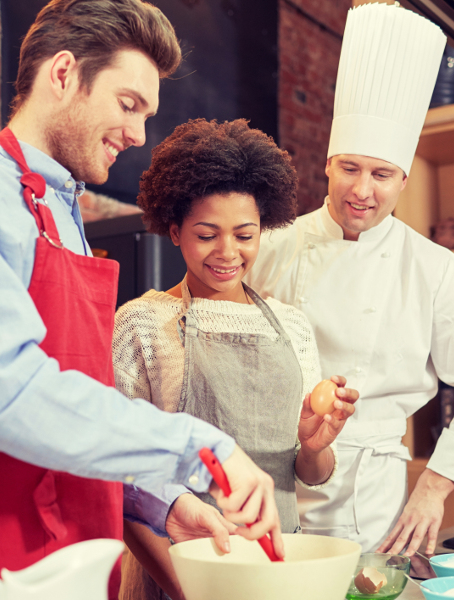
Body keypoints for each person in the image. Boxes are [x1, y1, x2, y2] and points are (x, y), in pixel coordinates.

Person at [0, 3, 281, 599]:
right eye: (129, 105)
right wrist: (200, 446)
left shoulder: (62, 214)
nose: (138, 135)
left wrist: (159, 501)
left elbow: (78, 413)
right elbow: (4, 393)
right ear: (62, 74)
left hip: (77, 553)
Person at [245, 3, 454, 556]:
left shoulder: (435, 268)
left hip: (372, 494)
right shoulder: (270, 245)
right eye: (350, 168)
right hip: (264, 480)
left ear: (403, 179)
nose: (362, 190)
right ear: (327, 163)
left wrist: (435, 488)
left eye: (381, 174)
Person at [113, 118, 358, 600]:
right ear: (175, 230)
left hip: (277, 570)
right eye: (207, 234)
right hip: (172, 574)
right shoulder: (141, 322)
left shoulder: (291, 327)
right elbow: (117, 477)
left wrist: (312, 445)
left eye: (245, 235)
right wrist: (191, 589)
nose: (228, 252)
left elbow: (308, 475)